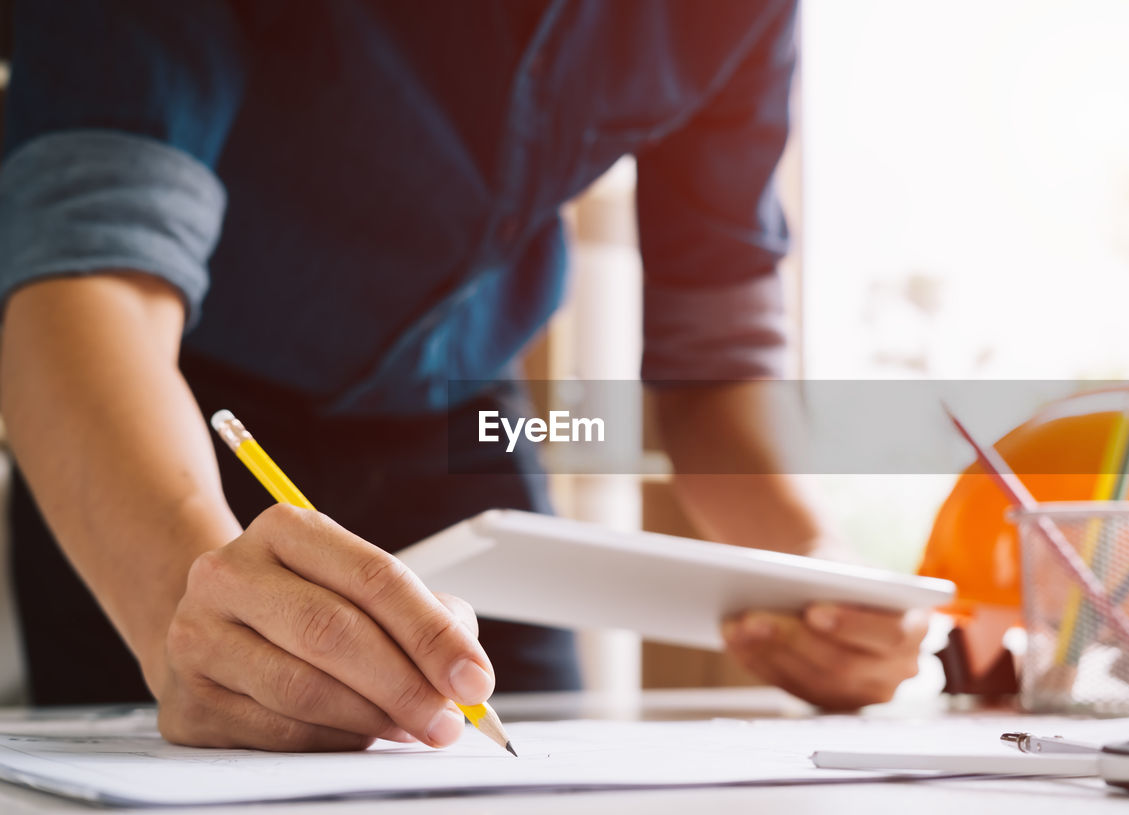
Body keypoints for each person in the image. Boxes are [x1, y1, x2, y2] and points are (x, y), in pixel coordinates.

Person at [0, 1, 928, 751]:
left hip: (464, 430)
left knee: (529, 790)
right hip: (159, 431)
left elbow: (716, 353)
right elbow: (87, 277)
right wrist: (179, 598)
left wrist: (819, 569)